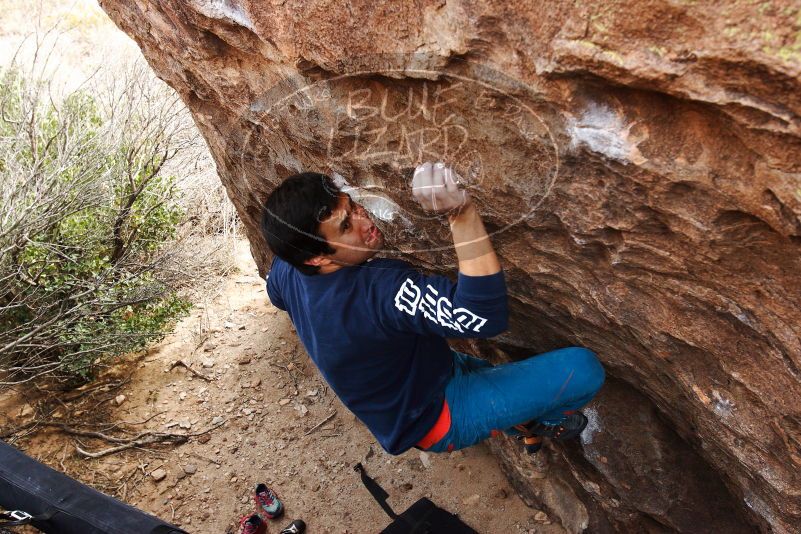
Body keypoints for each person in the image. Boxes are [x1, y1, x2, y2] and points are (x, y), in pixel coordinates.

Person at [260, 162, 604, 455]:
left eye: (351, 206)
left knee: (486, 376)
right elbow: (481, 317)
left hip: (417, 378)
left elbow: (274, 292)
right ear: (317, 257)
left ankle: (525, 423)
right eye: (345, 227)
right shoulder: (380, 291)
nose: (364, 221)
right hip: (435, 416)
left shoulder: (289, 270)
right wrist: (461, 213)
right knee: (584, 369)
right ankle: (547, 421)